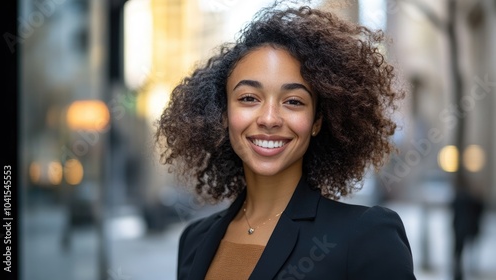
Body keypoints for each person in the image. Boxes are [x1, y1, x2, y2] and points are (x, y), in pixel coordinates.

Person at [155, 1, 416, 279]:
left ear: (317, 121)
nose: (269, 118)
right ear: (223, 114)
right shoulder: (194, 240)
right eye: (248, 98)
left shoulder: (366, 236)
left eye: (293, 101)